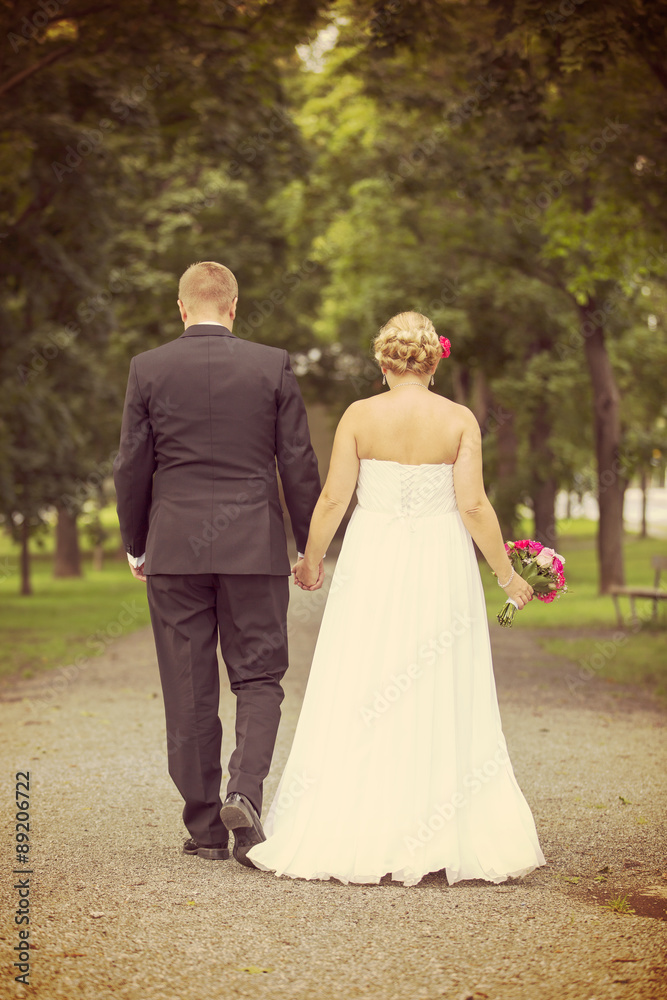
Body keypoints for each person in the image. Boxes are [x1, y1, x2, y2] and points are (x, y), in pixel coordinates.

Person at [248, 311, 546, 886]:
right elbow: (474, 506)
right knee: (441, 680)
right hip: (441, 561)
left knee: (363, 675)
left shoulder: (360, 416)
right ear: (435, 361)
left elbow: (334, 498)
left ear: (384, 362)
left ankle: (358, 820)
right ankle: (443, 826)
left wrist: (311, 562)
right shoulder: (459, 420)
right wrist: (507, 575)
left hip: (373, 558)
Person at [113, 261, 321, 864]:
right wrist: (308, 545)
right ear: (234, 306)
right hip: (253, 545)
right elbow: (298, 461)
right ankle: (245, 795)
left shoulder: (147, 369)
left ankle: (205, 827)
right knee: (258, 676)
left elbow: (132, 465)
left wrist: (137, 543)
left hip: (175, 547)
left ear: (183, 308)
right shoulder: (271, 364)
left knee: (187, 684)